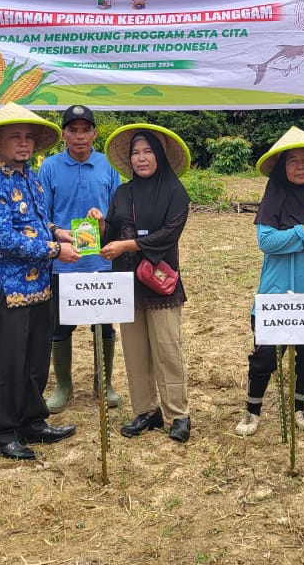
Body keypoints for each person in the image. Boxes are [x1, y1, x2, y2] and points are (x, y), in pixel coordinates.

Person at [0, 104, 80, 460]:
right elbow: (5, 240)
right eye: (15, 136)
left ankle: (32, 421)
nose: (24, 143)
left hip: (38, 286)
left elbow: (36, 223)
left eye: (29, 137)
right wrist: (53, 249)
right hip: (5, 288)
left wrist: (57, 231)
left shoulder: (30, 177)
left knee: (34, 359)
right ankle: (0, 432)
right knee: (4, 363)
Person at [235, 127, 304, 436]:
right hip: (278, 287)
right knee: (265, 355)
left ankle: (300, 408)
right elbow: (266, 241)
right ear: (283, 167)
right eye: (293, 161)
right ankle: (252, 412)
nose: (300, 166)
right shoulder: (275, 194)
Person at [99, 125, 194, 442]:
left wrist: (128, 246)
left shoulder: (175, 192)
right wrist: (100, 224)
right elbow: (111, 233)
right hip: (126, 281)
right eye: (135, 153)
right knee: (135, 349)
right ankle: (146, 411)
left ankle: (178, 414)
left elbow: (169, 234)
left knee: (167, 349)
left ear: (160, 155)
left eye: (147, 151)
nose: (141, 158)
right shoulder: (122, 193)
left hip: (160, 281)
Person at [38, 104, 124, 412]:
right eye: (72, 130)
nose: (79, 136)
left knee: (104, 324)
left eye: (85, 129)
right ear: (63, 134)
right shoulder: (48, 168)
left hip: (102, 260)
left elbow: (119, 214)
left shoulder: (107, 166)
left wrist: (104, 223)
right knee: (61, 327)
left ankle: (105, 382)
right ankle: (63, 386)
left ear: (94, 133)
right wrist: (59, 234)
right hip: (64, 261)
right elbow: (41, 216)